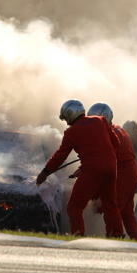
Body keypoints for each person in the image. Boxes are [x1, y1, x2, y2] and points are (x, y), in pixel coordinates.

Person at [36, 99, 124, 238]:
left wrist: (45, 172)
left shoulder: (71, 132)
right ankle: (117, 234)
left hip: (92, 170)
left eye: (65, 118)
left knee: (74, 207)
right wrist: (100, 156)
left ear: (70, 114)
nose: (66, 122)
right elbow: (116, 143)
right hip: (111, 168)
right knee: (110, 204)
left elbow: (60, 156)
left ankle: (78, 236)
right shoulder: (100, 120)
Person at [87, 103, 137, 240]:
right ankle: (135, 238)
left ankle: (114, 236)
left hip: (124, 172)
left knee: (111, 206)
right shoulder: (117, 129)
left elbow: (103, 162)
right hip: (131, 171)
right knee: (127, 210)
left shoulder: (110, 134)